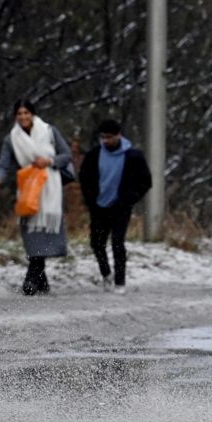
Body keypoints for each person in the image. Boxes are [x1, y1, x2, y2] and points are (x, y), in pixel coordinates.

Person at [0, 100, 72, 296]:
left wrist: (50, 161)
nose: (23, 117)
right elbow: (4, 163)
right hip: (28, 187)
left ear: (33, 114)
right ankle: (40, 280)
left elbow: (66, 155)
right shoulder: (12, 139)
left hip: (49, 188)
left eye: (26, 113)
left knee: (44, 233)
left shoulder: (49, 131)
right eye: (19, 113)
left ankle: (31, 279)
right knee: (31, 233)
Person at [79, 119, 151, 294]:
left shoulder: (133, 156)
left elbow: (145, 182)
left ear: (119, 135)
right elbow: (84, 178)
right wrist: (90, 200)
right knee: (97, 243)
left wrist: (128, 200)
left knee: (118, 242)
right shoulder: (94, 155)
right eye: (103, 137)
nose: (106, 141)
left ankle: (120, 281)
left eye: (109, 137)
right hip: (99, 206)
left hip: (120, 207)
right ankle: (106, 274)